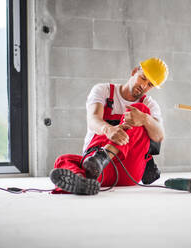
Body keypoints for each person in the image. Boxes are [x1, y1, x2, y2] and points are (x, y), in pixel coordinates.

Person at [50, 57, 168, 195]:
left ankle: (102, 157)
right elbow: (93, 119)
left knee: (140, 110)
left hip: (128, 167)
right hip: (98, 168)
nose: (144, 86)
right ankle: (82, 182)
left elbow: (159, 136)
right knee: (63, 160)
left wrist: (144, 118)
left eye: (150, 85)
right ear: (134, 71)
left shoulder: (149, 104)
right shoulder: (103, 90)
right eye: (143, 78)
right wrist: (108, 129)